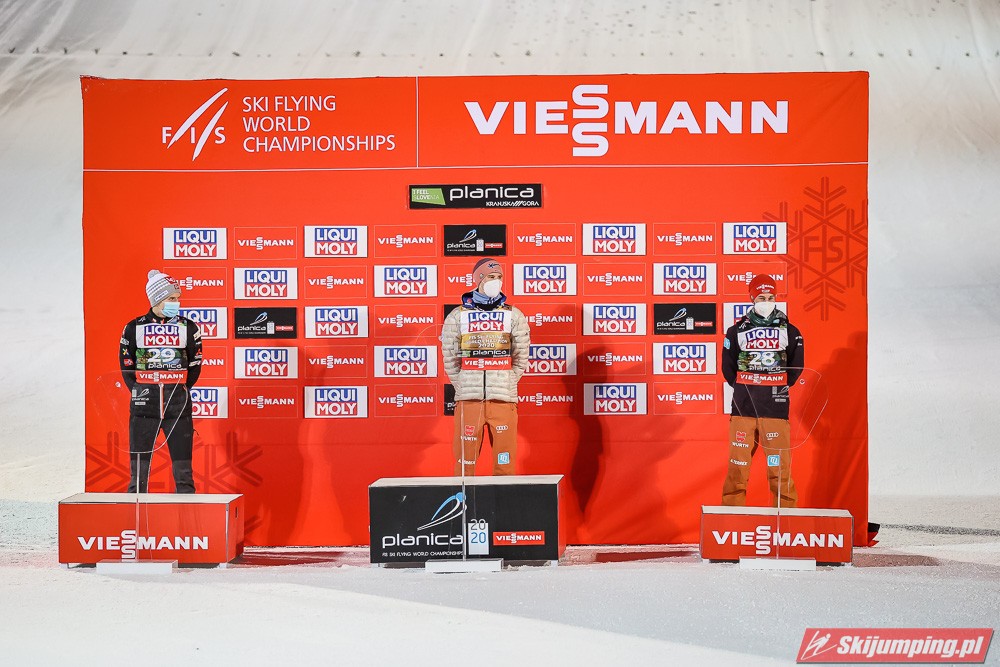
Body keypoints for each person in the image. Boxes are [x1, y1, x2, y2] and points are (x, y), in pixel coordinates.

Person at [721, 274, 804, 507]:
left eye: (770, 297)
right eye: (761, 297)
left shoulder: (790, 330)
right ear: (752, 299)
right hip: (743, 408)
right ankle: (731, 518)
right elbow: (727, 367)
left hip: (775, 408)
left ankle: (786, 520)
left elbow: (797, 366)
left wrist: (777, 386)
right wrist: (746, 386)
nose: (766, 302)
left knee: (780, 469)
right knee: (737, 468)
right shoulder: (736, 331)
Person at [441, 258, 530, 475]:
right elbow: (450, 357)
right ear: (479, 279)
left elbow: (521, 356)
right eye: (491, 277)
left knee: (504, 465)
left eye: (499, 277)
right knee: (465, 465)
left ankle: (503, 498)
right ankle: (462, 499)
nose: (496, 281)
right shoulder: (458, 315)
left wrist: (507, 381)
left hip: (503, 399)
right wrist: (464, 384)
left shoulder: (513, 314)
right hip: (468, 400)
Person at [119, 269, 203, 493]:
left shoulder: (188, 327)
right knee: (138, 478)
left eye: (177, 298)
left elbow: (195, 365)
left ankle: (186, 516)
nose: (176, 303)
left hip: (178, 406)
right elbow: (126, 366)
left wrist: (179, 389)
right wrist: (141, 391)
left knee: (184, 477)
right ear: (157, 299)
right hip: (144, 407)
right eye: (171, 298)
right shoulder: (134, 327)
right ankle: (135, 516)